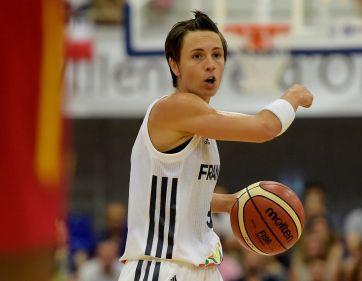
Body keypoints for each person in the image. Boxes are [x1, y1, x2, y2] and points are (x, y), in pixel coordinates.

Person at [117, 11, 313, 281]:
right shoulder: (174, 108)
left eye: (217, 55)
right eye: (197, 56)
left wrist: (234, 203)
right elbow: (264, 128)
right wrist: (294, 95)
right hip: (161, 267)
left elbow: (181, 196)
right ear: (175, 65)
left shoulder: (201, 123)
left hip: (202, 268)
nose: (210, 64)